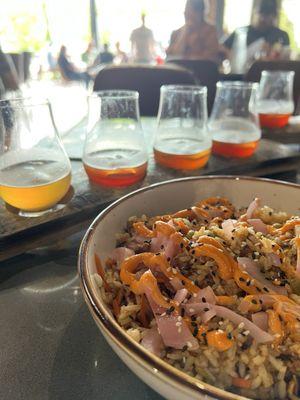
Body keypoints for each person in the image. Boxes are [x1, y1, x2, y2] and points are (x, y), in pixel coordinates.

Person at [222, 0, 290, 61]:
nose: (262, 19)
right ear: (254, 12)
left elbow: (286, 59)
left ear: (274, 17)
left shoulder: (281, 36)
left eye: (267, 15)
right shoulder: (241, 33)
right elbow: (222, 49)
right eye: (260, 13)